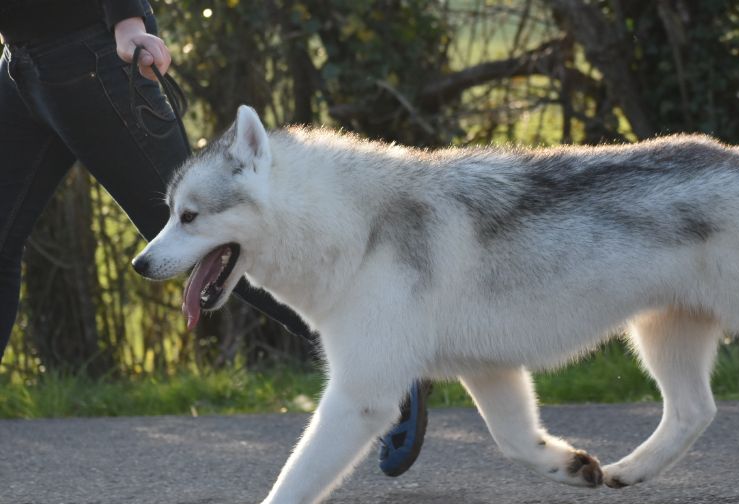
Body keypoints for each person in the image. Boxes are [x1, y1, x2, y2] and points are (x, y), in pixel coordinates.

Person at [0, 0, 428, 474]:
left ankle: (380, 356)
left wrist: (127, 20)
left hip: (93, 60)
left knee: (207, 237)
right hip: (18, 68)